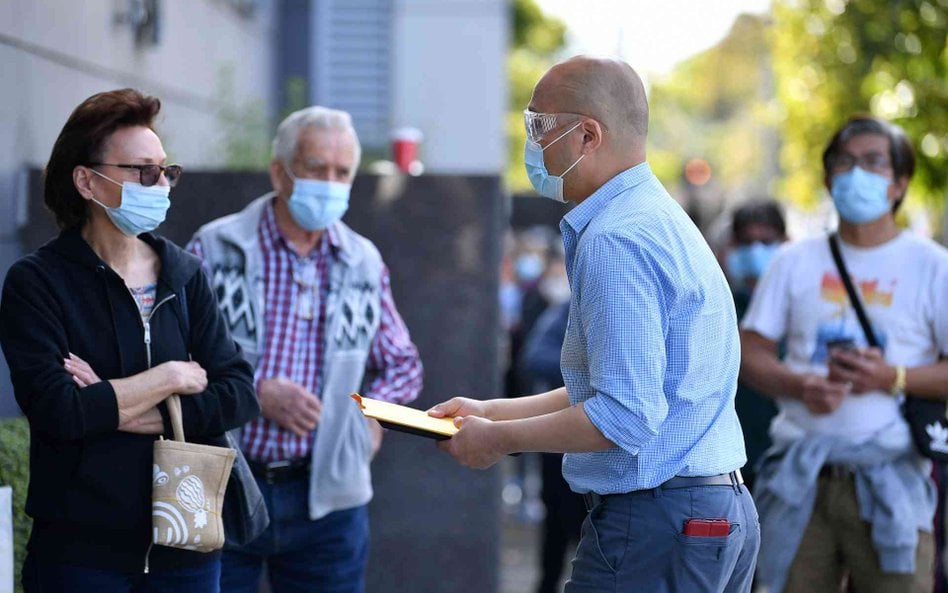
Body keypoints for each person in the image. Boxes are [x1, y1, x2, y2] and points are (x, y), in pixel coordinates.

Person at [429, 55, 759, 592]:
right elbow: (611, 391)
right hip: (706, 510)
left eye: (539, 125)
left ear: (587, 136)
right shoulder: (654, 216)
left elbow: (623, 415)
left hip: (659, 520)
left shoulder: (616, 239)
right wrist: (489, 412)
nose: (531, 142)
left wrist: (498, 440)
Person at [0, 88, 259, 592]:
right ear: (87, 180)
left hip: (186, 547)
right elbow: (58, 411)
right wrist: (170, 376)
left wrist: (127, 405)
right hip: (80, 557)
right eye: (142, 170)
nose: (159, 183)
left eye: (165, 170)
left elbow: (238, 392)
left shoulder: (184, 275)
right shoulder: (37, 283)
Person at [187, 105, 423, 593]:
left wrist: (368, 418)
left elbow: (402, 364)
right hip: (225, 485)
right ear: (281, 171)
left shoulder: (361, 260)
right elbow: (178, 358)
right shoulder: (216, 247)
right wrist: (253, 392)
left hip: (329, 501)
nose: (330, 183)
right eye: (316, 168)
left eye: (342, 172)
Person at [740, 115, 948, 593]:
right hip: (800, 477)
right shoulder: (793, 262)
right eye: (844, 162)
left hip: (893, 479)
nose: (856, 173)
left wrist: (893, 377)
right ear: (828, 178)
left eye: (873, 162)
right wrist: (800, 385)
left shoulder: (931, 266)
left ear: (899, 183)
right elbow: (750, 351)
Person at [520, 299, 586, 593]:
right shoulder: (569, 310)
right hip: (563, 451)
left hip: (607, 466)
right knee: (556, 536)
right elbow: (535, 356)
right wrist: (590, 372)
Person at [723, 200, 787, 492]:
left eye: (766, 241)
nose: (756, 251)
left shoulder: (796, 304)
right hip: (732, 460)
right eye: (747, 242)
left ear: (785, 243)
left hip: (785, 455)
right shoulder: (720, 304)